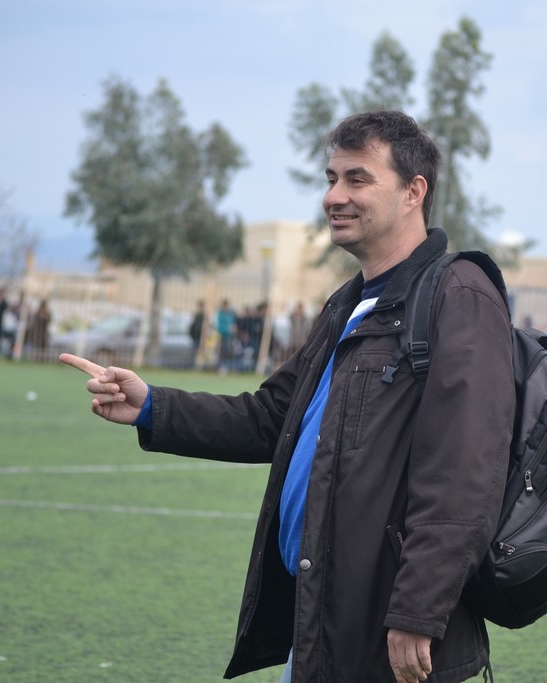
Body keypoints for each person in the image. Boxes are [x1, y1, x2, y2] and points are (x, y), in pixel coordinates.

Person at [61, 110, 515, 683]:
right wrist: (152, 406)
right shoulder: (350, 304)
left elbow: (465, 473)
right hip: (323, 619)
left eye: (357, 179)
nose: (334, 196)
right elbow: (271, 417)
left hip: (390, 637)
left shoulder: (459, 295)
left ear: (413, 192)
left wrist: (418, 612)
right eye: (331, 178)